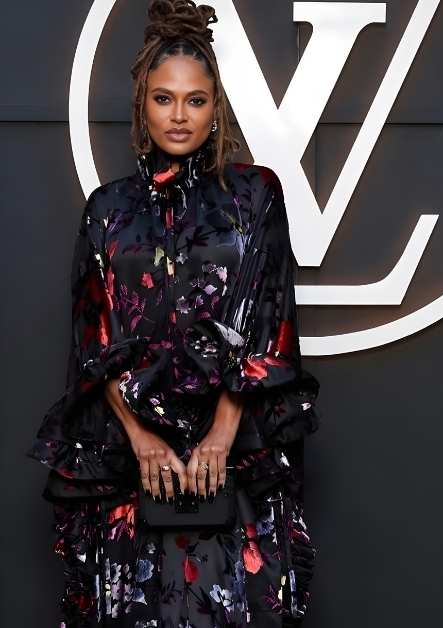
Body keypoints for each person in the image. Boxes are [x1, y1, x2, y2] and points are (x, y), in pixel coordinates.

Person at [28, 1, 319, 625]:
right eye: (164, 99)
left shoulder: (256, 195)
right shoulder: (108, 209)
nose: (179, 116)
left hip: (233, 456)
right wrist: (142, 439)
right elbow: (94, 338)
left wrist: (220, 432)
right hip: (133, 462)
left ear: (216, 108)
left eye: (195, 100)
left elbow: (268, 316)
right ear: (143, 106)